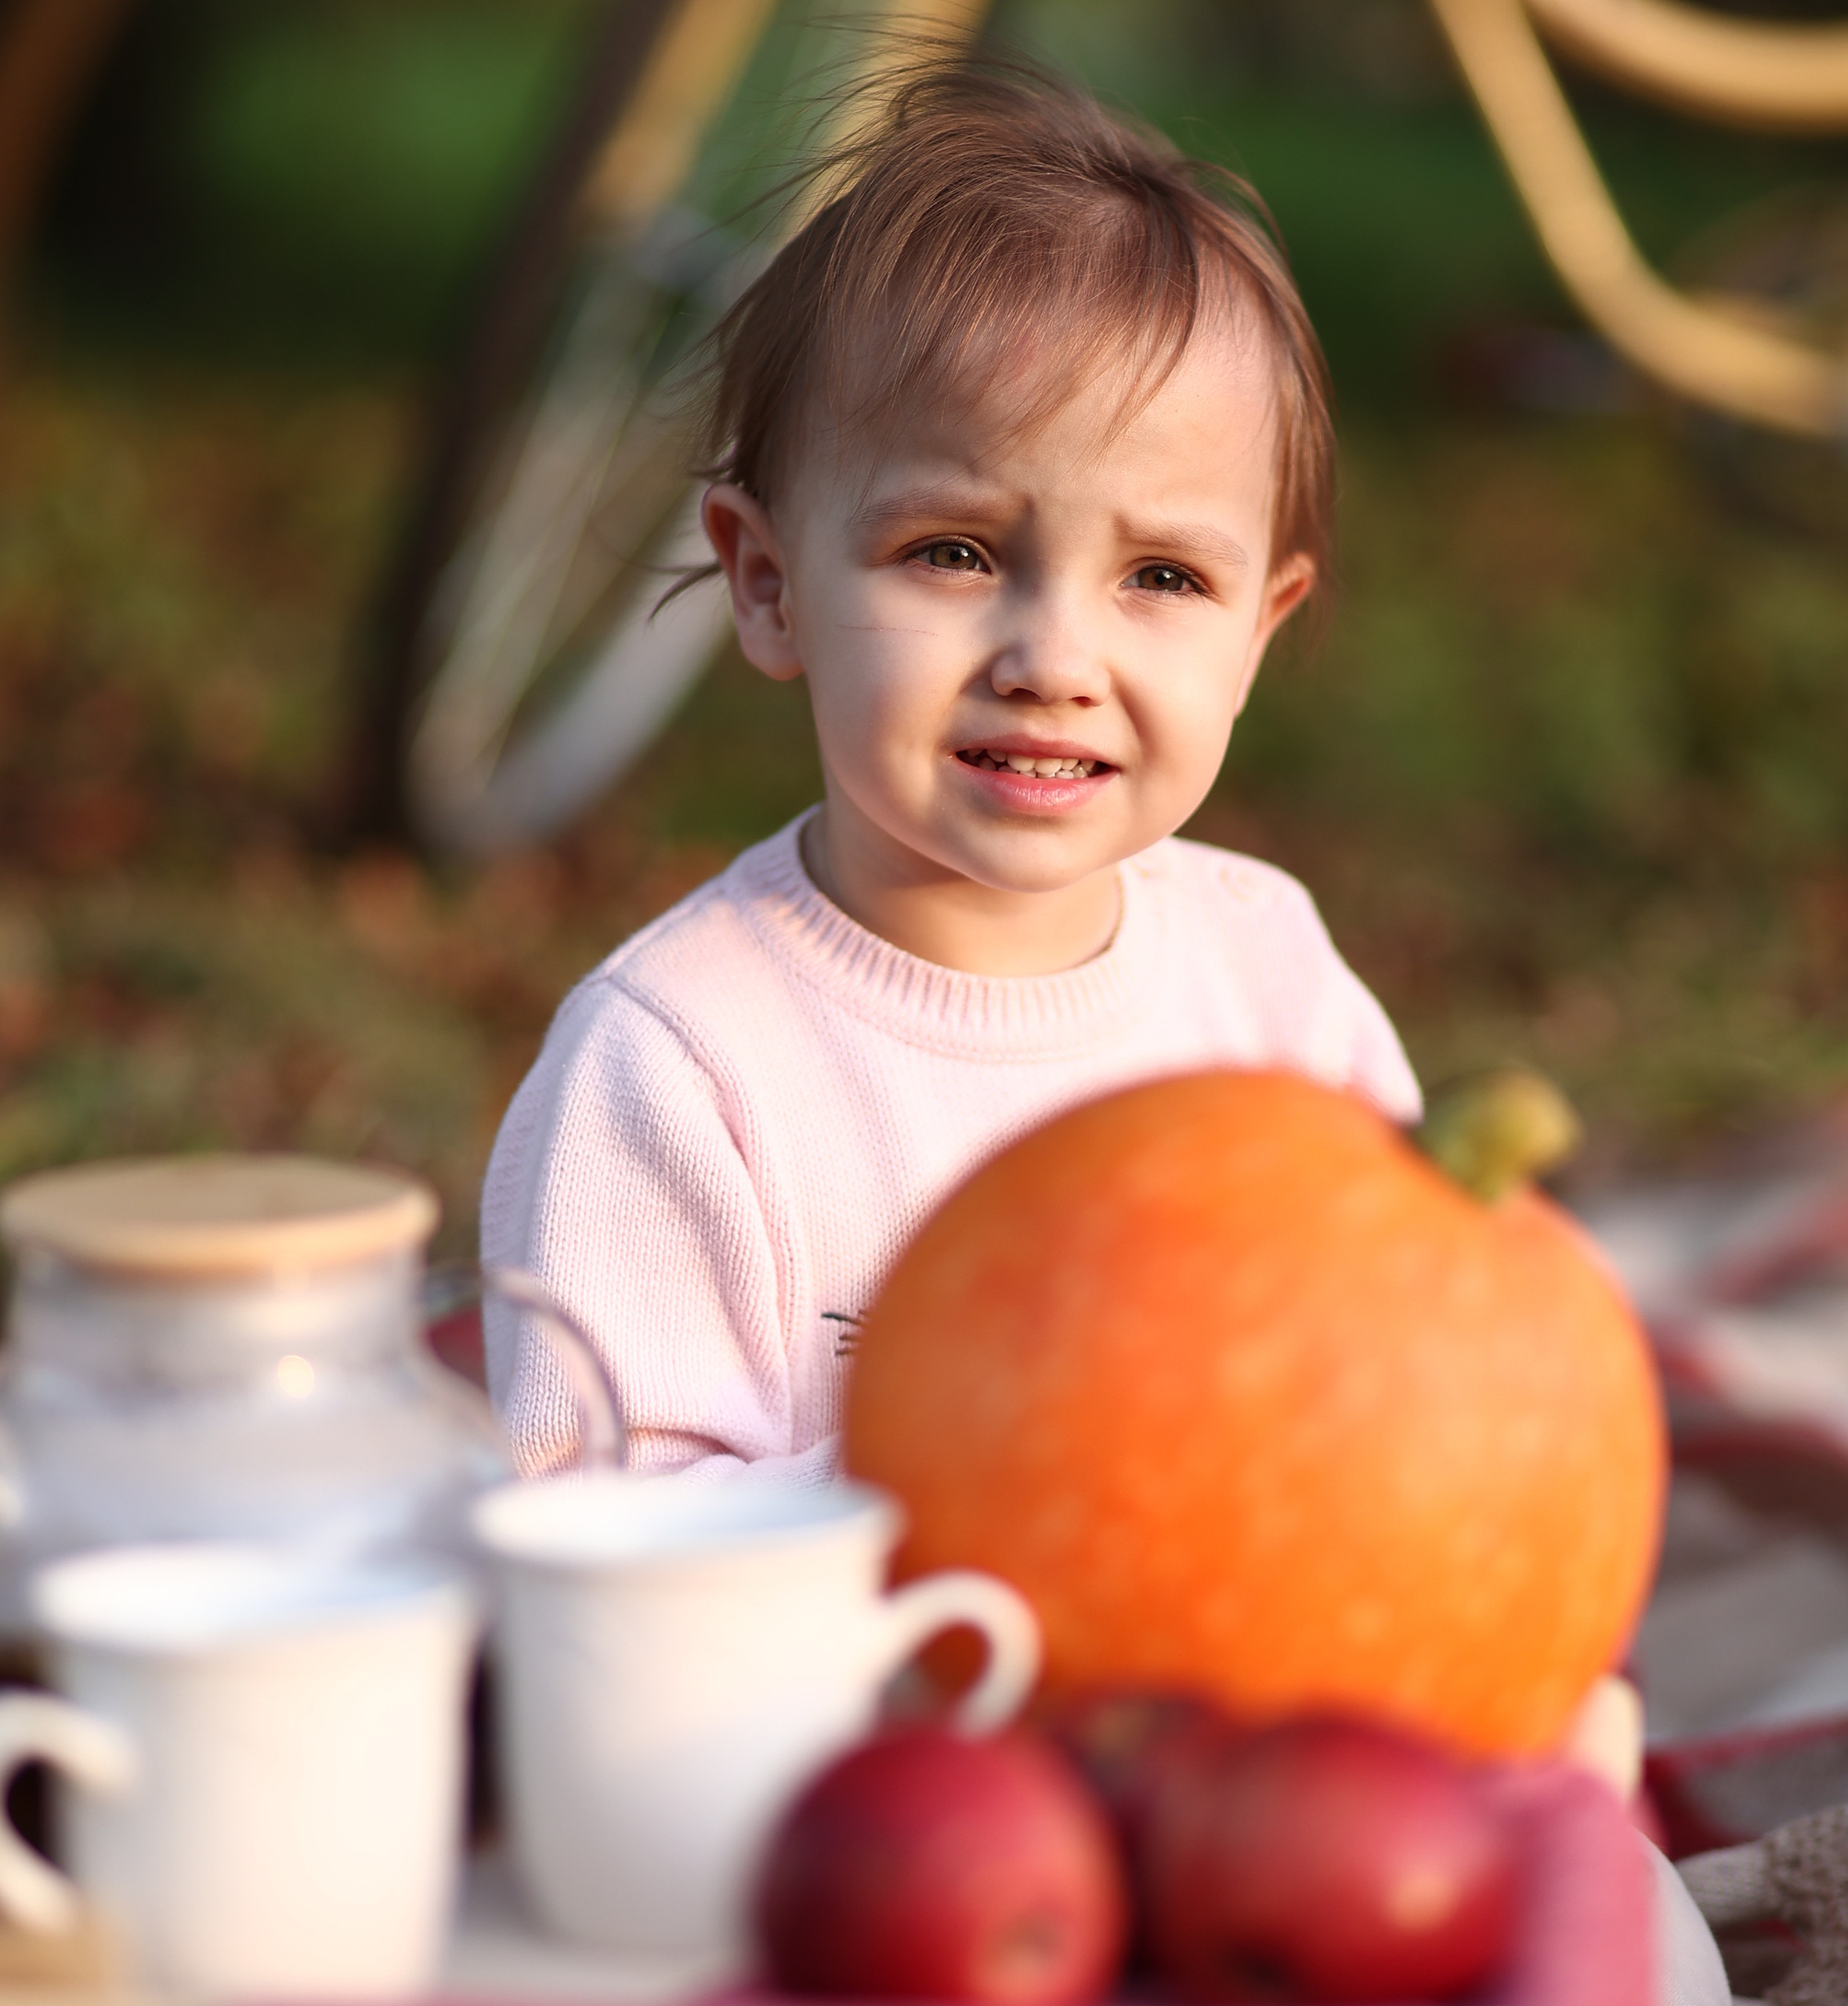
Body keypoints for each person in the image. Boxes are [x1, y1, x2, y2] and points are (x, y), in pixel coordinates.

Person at [482, 56, 1421, 1480]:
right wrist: (996, 1444)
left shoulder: (1269, 985)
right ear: (770, 584)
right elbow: (606, 1543)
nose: (1053, 659)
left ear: (1255, 634)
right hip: (855, 1691)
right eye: (956, 553)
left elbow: (1421, 1353)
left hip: (1227, 1658)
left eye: (1161, 576)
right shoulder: (680, 1068)